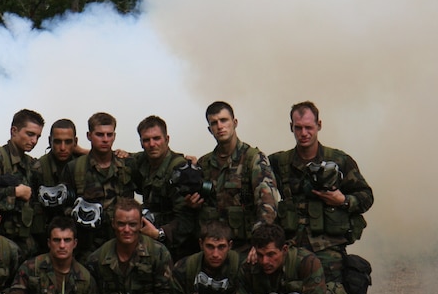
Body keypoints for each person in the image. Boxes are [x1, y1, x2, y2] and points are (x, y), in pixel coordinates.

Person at [268, 100, 376, 294]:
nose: (304, 133)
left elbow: (366, 196)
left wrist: (343, 200)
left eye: (309, 127)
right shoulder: (278, 163)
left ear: (319, 126)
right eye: (298, 127)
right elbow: (248, 173)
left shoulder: (339, 161)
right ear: (291, 127)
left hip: (328, 255)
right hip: (292, 257)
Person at [191, 101, 278, 254]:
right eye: (214, 123)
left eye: (224, 120)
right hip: (212, 250)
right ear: (210, 129)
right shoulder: (204, 164)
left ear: (234, 122)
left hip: (244, 248)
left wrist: (259, 244)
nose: (220, 126)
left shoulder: (253, 159)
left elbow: (268, 205)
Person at [0, 109, 44, 259]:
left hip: (23, 245)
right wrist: (15, 193)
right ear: (14, 131)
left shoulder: (30, 164)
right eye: (30, 134)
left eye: (37, 136)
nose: (34, 141)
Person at [61, 112, 135, 259]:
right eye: (100, 135)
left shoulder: (128, 165)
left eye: (109, 135)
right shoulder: (75, 168)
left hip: (122, 245)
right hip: (86, 249)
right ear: (89, 136)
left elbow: (154, 159)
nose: (105, 140)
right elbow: (64, 209)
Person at [129, 115, 198, 261]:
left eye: (156, 138)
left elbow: (187, 218)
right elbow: (109, 157)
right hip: (149, 241)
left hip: (177, 247)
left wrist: (159, 233)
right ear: (141, 143)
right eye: (146, 140)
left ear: (167, 139)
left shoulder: (179, 170)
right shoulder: (141, 161)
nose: (152, 144)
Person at [30, 119, 80, 250]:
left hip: (78, 238)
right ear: (49, 141)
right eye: (57, 141)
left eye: (68, 142)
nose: (62, 148)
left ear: (75, 142)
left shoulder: (83, 166)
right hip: (46, 238)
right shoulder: (39, 168)